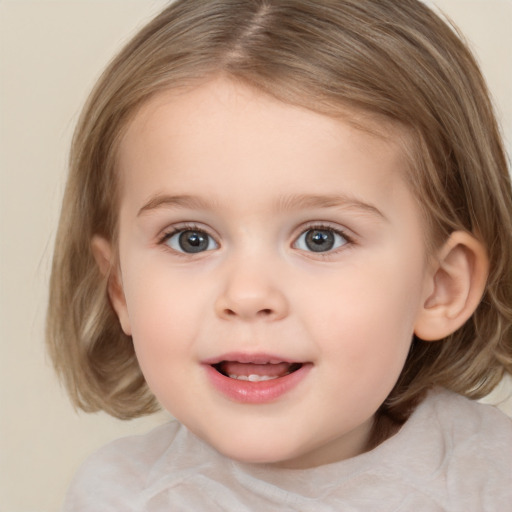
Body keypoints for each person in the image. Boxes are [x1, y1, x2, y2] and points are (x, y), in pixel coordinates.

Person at [46, 0, 512, 509]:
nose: (247, 295)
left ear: (441, 286)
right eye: (191, 239)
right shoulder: (117, 498)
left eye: (320, 238)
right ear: (120, 287)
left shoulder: (491, 479)